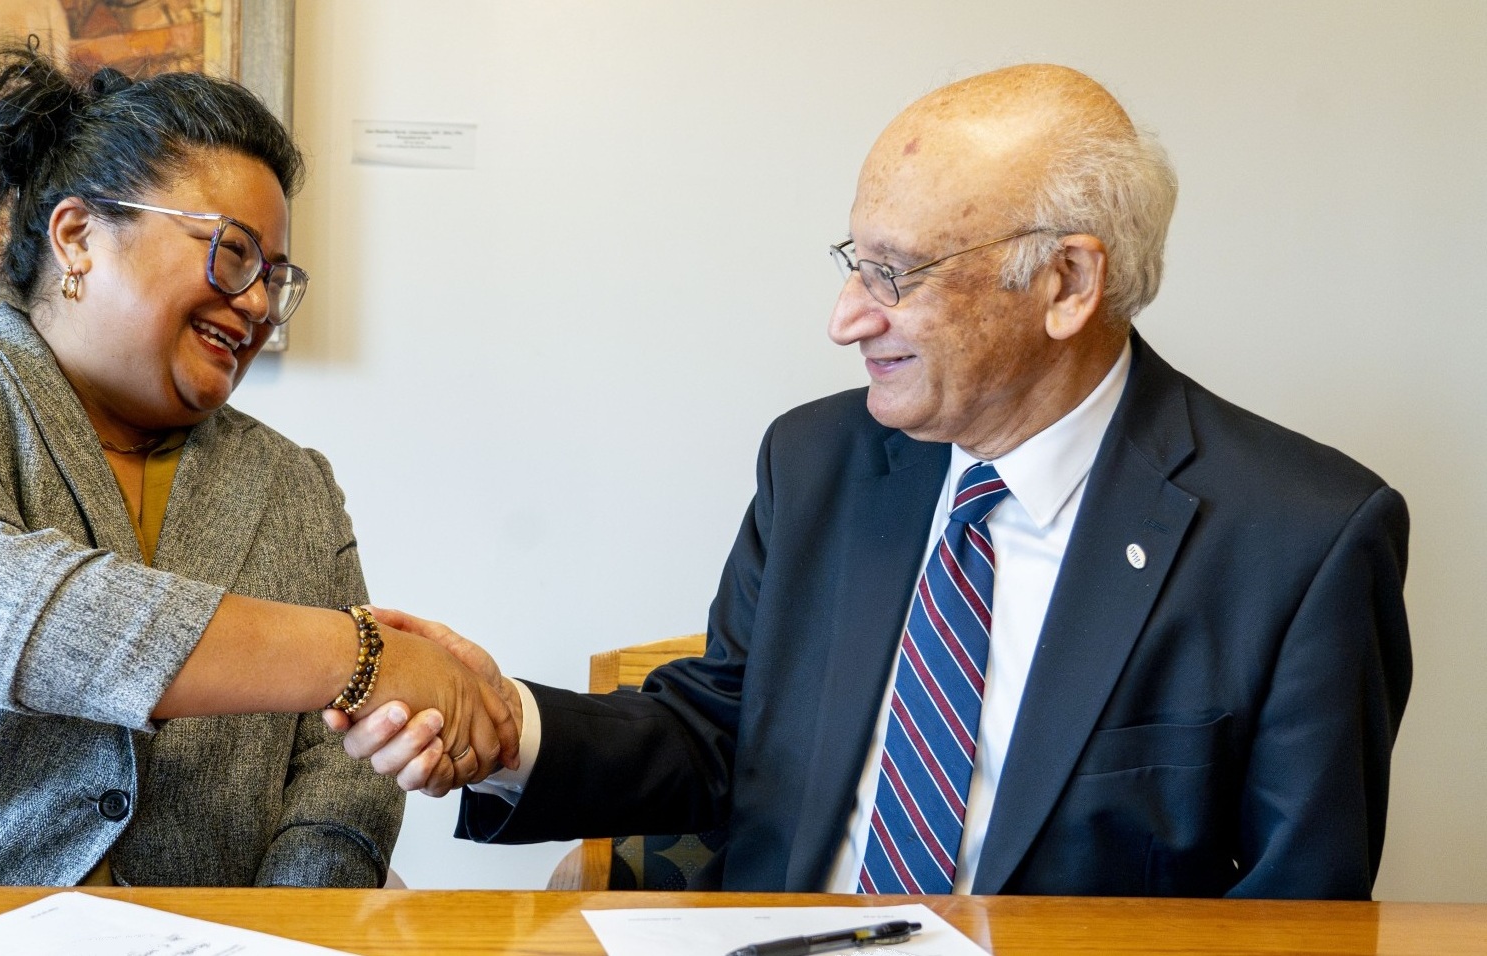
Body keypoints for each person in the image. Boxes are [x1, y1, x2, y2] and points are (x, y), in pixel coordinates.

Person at [345, 63, 1412, 900]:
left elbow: (1297, 909)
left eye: (892, 274)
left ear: (1067, 282)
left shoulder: (1302, 538)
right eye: (850, 263)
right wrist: (505, 723)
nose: (845, 317)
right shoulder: (816, 461)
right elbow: (720, 735)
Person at [0, 47, 513, 887]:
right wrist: (362, 654)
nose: (256, 305)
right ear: (78, 236)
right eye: (233, 252)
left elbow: (341, 774)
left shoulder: (294, 486)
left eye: (275, 278)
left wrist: (287, 927)